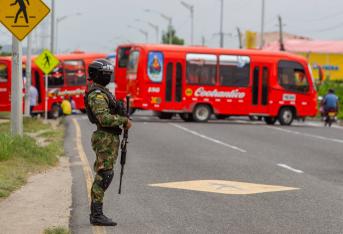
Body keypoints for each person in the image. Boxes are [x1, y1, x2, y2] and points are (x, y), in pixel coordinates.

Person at [85, 59, 132, 226]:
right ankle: (96, 214)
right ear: (97, 74)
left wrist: (122, 112)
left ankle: (96, 213)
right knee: (104, 175)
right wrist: (123, 120)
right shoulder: (96, 94)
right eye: (105, 74)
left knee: (106, 173)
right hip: (104, 136)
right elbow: (103, 118)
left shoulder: (103, 92)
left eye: (109, 74)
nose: (108, 76)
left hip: (109, 137)